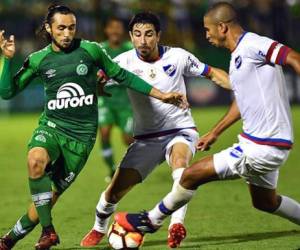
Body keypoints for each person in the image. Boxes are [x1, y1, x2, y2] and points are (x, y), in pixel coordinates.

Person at [0, 5, 185, 250]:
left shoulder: (90, 50)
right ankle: (48, 231)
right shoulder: (38, 59)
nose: (67, 34)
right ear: (49, 28)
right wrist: (6, 59)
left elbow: (123, 76)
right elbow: (7, 92)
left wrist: (160, 95)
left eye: (71, 27)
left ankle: (10, 239)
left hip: (81, 138)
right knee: (35, 160)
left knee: (48, 198)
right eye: (61, 28)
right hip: (52, 127)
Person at [114, 2, 300, 239]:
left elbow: (293, 57)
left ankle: (150, 220)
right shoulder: (237, 59)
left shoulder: (254, 44)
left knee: (190, 175)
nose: (206, 34)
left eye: (207, 29)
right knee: (265, 201)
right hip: (258, 142)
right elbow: (242, 103)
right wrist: (215, 132)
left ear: (222, 27)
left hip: (262, 147)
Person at [80, 12, 229, 248]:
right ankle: (99, 227)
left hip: (180, 129)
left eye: (149, 34)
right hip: (146, 138)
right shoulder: (123, 62)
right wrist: (98, 85)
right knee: (113, 193)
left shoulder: (178, 56)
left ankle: (176, 225)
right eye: (137, 35)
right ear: (131, 36)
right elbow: (98, 83)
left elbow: (212, 73)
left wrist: (238, 87)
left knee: (181, 166)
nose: (143, 40)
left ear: (158, 35)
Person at [98, 17, 135, 182]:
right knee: (104, 133)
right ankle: (112, 169)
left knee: (128, 139)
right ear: (106, 30)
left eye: (118, 28)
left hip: (126, 100)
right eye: (111, 27)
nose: (115, 31)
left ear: (123, 31)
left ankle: (134, 167)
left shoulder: (130, 49)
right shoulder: (99, 49)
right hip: (105, 100)